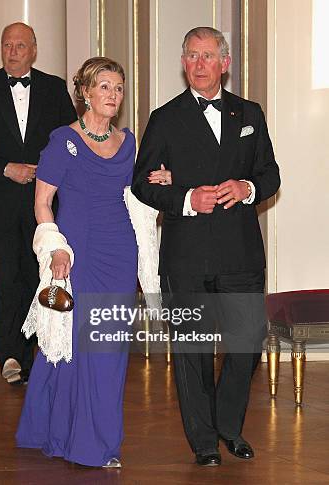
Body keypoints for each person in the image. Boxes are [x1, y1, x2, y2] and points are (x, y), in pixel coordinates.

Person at [132, 27, 280, 467]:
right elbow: (142, 184)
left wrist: (248, 186)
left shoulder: (249, 112)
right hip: (186, 252)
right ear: (183, 62)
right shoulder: (164, 117)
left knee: (247, 339)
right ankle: (202, 441)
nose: (199, 64)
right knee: (192, 348)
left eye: (208, 56)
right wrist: (185, 198)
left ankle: (228, 426)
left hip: (240, 252)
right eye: (192, 56)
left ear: (225, 63)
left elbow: (271, 174)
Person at [15, 57, 159, 468]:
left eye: (118, 88)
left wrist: (157, 182)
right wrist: (56, 246)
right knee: (72, 345)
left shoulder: (129, 142)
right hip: (77, 253)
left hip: (120, 252)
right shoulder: (63, 140)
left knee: (109, 348)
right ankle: (64, 433)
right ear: (85, 93)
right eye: (105, 87)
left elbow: (136, 195)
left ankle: (98, 439)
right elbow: (42, 202)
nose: (113, 95)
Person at [0, 22, 77, 384]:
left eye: (20, 45)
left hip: (44, 200)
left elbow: (70, 141)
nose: (12, 51)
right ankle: (8, 354)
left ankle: (30, 354)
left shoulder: (54, 88)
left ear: (33, 49)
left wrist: (47, 169)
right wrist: (5, 167)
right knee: (5, 278)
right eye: (7, 45)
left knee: (33, 277)